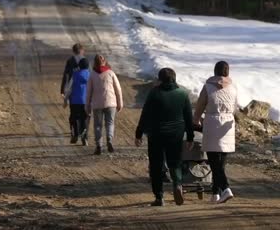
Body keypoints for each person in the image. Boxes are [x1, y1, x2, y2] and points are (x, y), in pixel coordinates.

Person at [135, 68, 194, 207]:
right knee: (175, 162)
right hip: (176, 134)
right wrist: (190, 137)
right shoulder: (183, 94)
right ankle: (178, 184)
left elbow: (145, 115)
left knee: (156, 166)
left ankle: (159, 197)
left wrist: (139, 134)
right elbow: (188, 118)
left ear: (160, 79)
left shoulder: (154, 93)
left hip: (156, 134)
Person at [193, 61, 238, 204]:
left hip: (212, 123)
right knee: (221, 161)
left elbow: (200, 106)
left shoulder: (208, 87)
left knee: (214, 162)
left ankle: (226, 188)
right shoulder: (233, 87)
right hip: (227, 125)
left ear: (215, 71)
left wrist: (195, 121)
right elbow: (235, 108)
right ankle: (215, 194)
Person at [85, 55, 123, 155]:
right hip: (111, 103)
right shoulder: (111, 73)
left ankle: (99, 145)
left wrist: (87, 105)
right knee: (110, 123)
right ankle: (109, 140)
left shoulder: (92, 75)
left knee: (98, 125)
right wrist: (120, 103)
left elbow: (88, 92)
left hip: (97, 104)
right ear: (105, 62)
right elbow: (118, 89)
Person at [61, 43, 85, 143]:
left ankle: (74, 133)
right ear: (82, 51)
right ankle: (84, 136)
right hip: (84, 92)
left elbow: (66, 75)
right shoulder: (85, 62)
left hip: (72, 91)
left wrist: (62, 90)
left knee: (73, 114)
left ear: (73, 51)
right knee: (84, 115)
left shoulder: (70, 61)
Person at [66, 58, 90, 146]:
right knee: (84, 119)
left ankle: (75, 134)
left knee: (73, 118)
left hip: (74, 101)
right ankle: (84, 137)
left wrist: (66, 98)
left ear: (79, 66)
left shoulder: (75, 75)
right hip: (85, 101)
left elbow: (69, 88)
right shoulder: (89, 75)